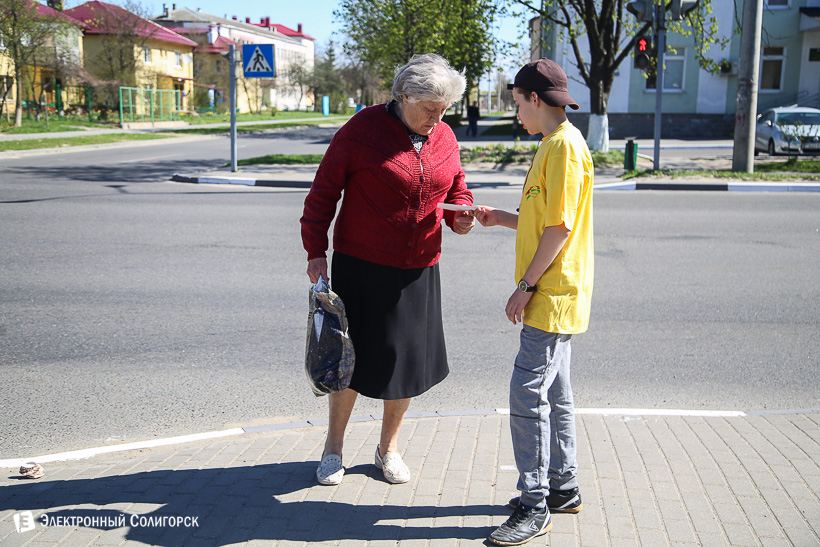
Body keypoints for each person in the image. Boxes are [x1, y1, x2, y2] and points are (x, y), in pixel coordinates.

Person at [300, 53, 475, 487]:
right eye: (430, 108)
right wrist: (315, 253)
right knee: (351, 362)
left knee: (405, 365)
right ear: (403, 96)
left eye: (444, 109)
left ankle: (388, 449)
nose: (437, 118)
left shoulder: (445, 136)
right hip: (362, 266)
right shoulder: (361, 132)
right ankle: (333, 449)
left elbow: (456, 189)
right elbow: (322, 195)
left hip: (418, 269)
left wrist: (462, 215)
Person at [475, 58, 594, 546]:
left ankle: (534, 502)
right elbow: (540, 218)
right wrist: (497, 217)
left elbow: (560, 228)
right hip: (554, 291)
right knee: (556, 392)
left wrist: (524, 286)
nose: (515, 114)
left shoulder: (563, 148)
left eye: (517, 104)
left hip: (550, 293)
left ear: (535, 100)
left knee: (526, 394)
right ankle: (563, 487)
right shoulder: (552, 144)